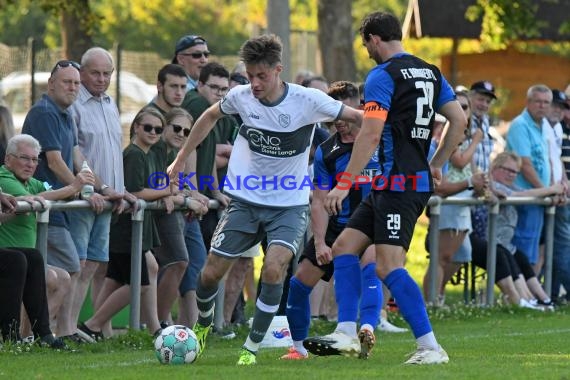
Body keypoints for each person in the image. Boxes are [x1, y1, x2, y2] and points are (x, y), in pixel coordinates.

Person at [167, 34, 363, 366]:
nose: (254, 83)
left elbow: (359, 117)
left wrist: (389, 132)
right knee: (211, 273)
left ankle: (252, 347)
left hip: (289, 203)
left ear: (277, 70)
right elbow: (210, 116)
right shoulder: (241, 97)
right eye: (250, 75)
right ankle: (201, 327)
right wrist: (180, 157)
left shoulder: (308, 99)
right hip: (245, 199)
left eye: (262, 76)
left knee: (274, 268)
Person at [303, 12, 465, 365]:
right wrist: (436, 164)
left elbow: (371, 133)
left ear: (375, 39)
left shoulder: (382, 75)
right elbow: (459, 119)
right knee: (344, 246)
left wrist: (343, 184)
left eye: (365, 44)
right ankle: (346, 332)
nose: (366, 52)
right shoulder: (431, 72)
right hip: (396, 182)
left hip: (399, 185)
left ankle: (430, 347)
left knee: (388, 266)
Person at [280, 81, 382, 360]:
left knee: (370, 269)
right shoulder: (327, 150)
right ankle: (298, 348)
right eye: (333, 117)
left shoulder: (381, 141)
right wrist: (321, 241)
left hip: (374, 222)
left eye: (344, 116)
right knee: (299, 283)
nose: (339, 123)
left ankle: (367, 331)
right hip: (338, 225)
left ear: (360, 109)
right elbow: (319, 200)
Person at [21, 60, 98, 340]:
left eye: (77, 83)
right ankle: (37, 334)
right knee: (64, 271)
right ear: (51, 83)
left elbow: (75, 155)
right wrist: (77, 186)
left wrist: (93, 186)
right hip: (46, 209)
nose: (73, 88)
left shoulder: (65, 114)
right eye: (67, 82)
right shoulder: (44, 112)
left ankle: (51, 332)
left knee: (63, 272)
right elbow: (53, 162)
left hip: (59, 207)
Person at [68, 47, 136, 341]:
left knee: (96, 265)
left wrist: (121, 191)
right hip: (86, 198)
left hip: (110, 199)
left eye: (107, 73)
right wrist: (93, 188)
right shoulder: (74, 105)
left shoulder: (110, 103)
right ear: (82, 73)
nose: (101, 79)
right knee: (78, 265)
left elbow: (111, 154)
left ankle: (87, 329)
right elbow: (75, 153)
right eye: (95, 73)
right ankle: (66, 327)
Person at [0, 134, 93, 348]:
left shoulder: (30, 182)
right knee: (24, 263)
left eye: (34, 160)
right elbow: (32, 198)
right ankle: (11, 336)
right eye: (25, 158)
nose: (30, 164)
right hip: (9, 257)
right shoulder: (4, 177)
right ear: (8, 160)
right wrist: (72, 187)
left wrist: (77, 190)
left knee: (34, 258)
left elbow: (45, 194)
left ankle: (42, 334)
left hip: (17, 255)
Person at [505, 84, 552, 272]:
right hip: (524, 198)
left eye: (546, 102)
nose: (542, 106)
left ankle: (528, 297)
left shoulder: (541, 126)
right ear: (528, 102)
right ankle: (520, 296)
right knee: (523, 248)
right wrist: (545, 191)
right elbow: (524, 165)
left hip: (537, 198)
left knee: (533, 251)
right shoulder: (520, 125)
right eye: (538, 101)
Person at [468, 80, 497, 240]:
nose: (484, 104)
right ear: (470, 97)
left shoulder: (485, 121)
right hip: (466, 189)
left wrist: (491, 187)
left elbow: (486, 159)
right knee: (455, 253)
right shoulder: (464, 119)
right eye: (480, 99)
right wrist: (484, 190)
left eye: (488, 101)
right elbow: (467, 157)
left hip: (480, 192)